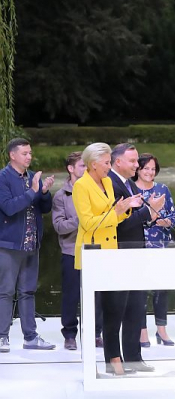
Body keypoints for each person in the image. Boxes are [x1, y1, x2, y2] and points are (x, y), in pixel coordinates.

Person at [71, 143, 143, 375]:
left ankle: (114, 359)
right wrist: (116, 212)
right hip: (93, 253)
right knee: (95, 311)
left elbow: (115, 218)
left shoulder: (108, 183)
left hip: (112, 251)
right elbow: (89, 222)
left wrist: (127, 207)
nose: (109, 167)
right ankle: (95, 362)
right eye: (106, 163)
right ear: (93, 164)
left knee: (115, 308)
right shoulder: (81, 186)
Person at [106, 143, 164, 372]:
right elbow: (115, 225)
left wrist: (151, 213)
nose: (137, 165)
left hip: (135, 253)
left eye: (137, 160)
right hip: (119, 253)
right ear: (117, 161)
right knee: (116, 308)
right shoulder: (110, 183)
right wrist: (147, 212)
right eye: (132, 161)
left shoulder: (128, 183)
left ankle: (133, 358)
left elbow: (137, 218)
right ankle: (114, 359)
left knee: (135, 307)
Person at [0, 138, 55, 353]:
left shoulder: (33, 177)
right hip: (9, 244)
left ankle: (30, 336)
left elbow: (45, 208)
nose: (29, 157)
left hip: (32, 243)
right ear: (12, 155)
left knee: (28, 291)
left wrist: (43, 192)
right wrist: (33, 191)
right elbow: (9, 208)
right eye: (25, 153)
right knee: (5, 291)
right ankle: (2, 337)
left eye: (30, 153)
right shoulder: (3, 178)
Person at [52, 151, 101, 351]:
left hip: (95, 250)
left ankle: (95, 333)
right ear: (71, 169)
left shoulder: (96, 190)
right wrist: (81, 220)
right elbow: (59, 226)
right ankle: (70, 334)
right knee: (71, 295)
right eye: (82, 165)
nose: (86, 169)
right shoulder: (61, 196)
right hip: (72, 251)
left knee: (96, 295)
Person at [133, 153, 175, 347]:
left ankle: (161, 329)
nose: (150, 172)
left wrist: (167, 221)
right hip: (138, 246)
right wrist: (150, 216)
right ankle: (142, 332)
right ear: (138, 170)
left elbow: (174, 216)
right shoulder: (130, 190)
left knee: (162, 288)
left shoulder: (163, 189)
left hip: (161, 245)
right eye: (146, 169)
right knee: (140, 291)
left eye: (153, 169)